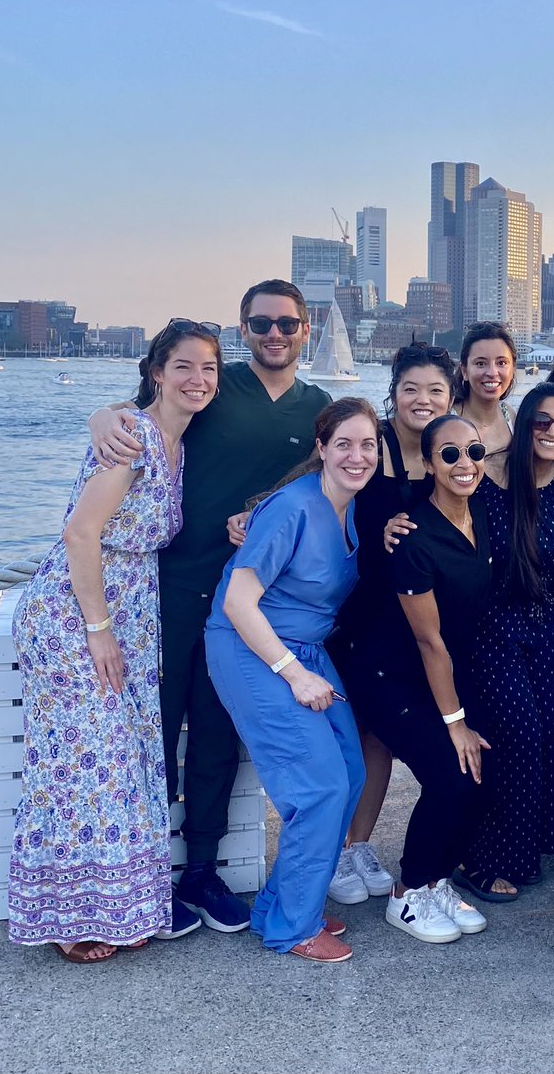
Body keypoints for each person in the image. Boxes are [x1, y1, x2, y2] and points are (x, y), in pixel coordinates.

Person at [89, 280, 330, 938]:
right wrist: (102, 415)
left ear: (305, 329)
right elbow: (143, 411)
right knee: (156, 732)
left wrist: (261, 516)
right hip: (169, 586)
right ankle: (145, 879)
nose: (274, 334)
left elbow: (322, 484)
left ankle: (201, 873)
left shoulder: (319, 406)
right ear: (243, 330)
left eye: (286, 324)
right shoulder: (216, 387)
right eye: (261, 324)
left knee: (220, 737)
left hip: (246, 601)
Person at [9, 320, 221, 962]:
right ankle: (68, 916)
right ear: (156, 372)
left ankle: (115, 902)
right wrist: (99, 630)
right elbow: (81, 533)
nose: (198, 380)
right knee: (82, 764)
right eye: (183, 367)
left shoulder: (177, 443)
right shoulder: (133, 439)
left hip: (125, 613)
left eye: (209, 369)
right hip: (79, 612)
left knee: (116, 764)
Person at [204, 399, 379, 963]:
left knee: (350, 772)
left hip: (305, 649)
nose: (357, 456)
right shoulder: (293, 507)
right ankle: (292, 928)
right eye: (344, 444)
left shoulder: (350, 504)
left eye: (368, 445)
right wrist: (294, 673)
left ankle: (283, 903)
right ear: (322, 449)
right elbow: (237, 600)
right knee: (320, 786)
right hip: (254, 649)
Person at [320, 343, 458, 906]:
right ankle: (339, 851)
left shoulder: (453, 448)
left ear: (451, 397)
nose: (422, 401)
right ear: (393, 392)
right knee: (359, 738)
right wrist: (248, 514)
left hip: (422, 619)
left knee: (379, 741)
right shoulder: (365, 440)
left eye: (435, 391)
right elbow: (307, 482)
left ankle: (356, 847)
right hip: (365, 615)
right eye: (411, 389)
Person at [365, 415, 496, 943]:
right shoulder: (414, 539)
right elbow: (428, 641)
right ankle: (409, 891)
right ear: (428, 464)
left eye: (474, 451)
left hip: (441, 674)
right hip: (390, 678)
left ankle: (438, 880)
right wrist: (455, 722)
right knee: (452, 770)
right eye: (449, 455)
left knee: (479, 771)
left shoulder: (483, 514)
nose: (464, 463)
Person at [453, 383, 554, 900]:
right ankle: (484, 859)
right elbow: (435, 503)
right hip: (491, 625)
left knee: (550, 736)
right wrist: (395, 523)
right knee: (520, 737)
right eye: (542, 422)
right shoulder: (488, 473)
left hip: (546, 621)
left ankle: (528, 840)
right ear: (523, 423)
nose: (553, 433)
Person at [452, 321, 517, 469]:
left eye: (501, 363)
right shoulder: (448, 418)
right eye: (481, 364)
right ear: (464, 371)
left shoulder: (510, 416)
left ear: (513, 368)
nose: (492, 373)